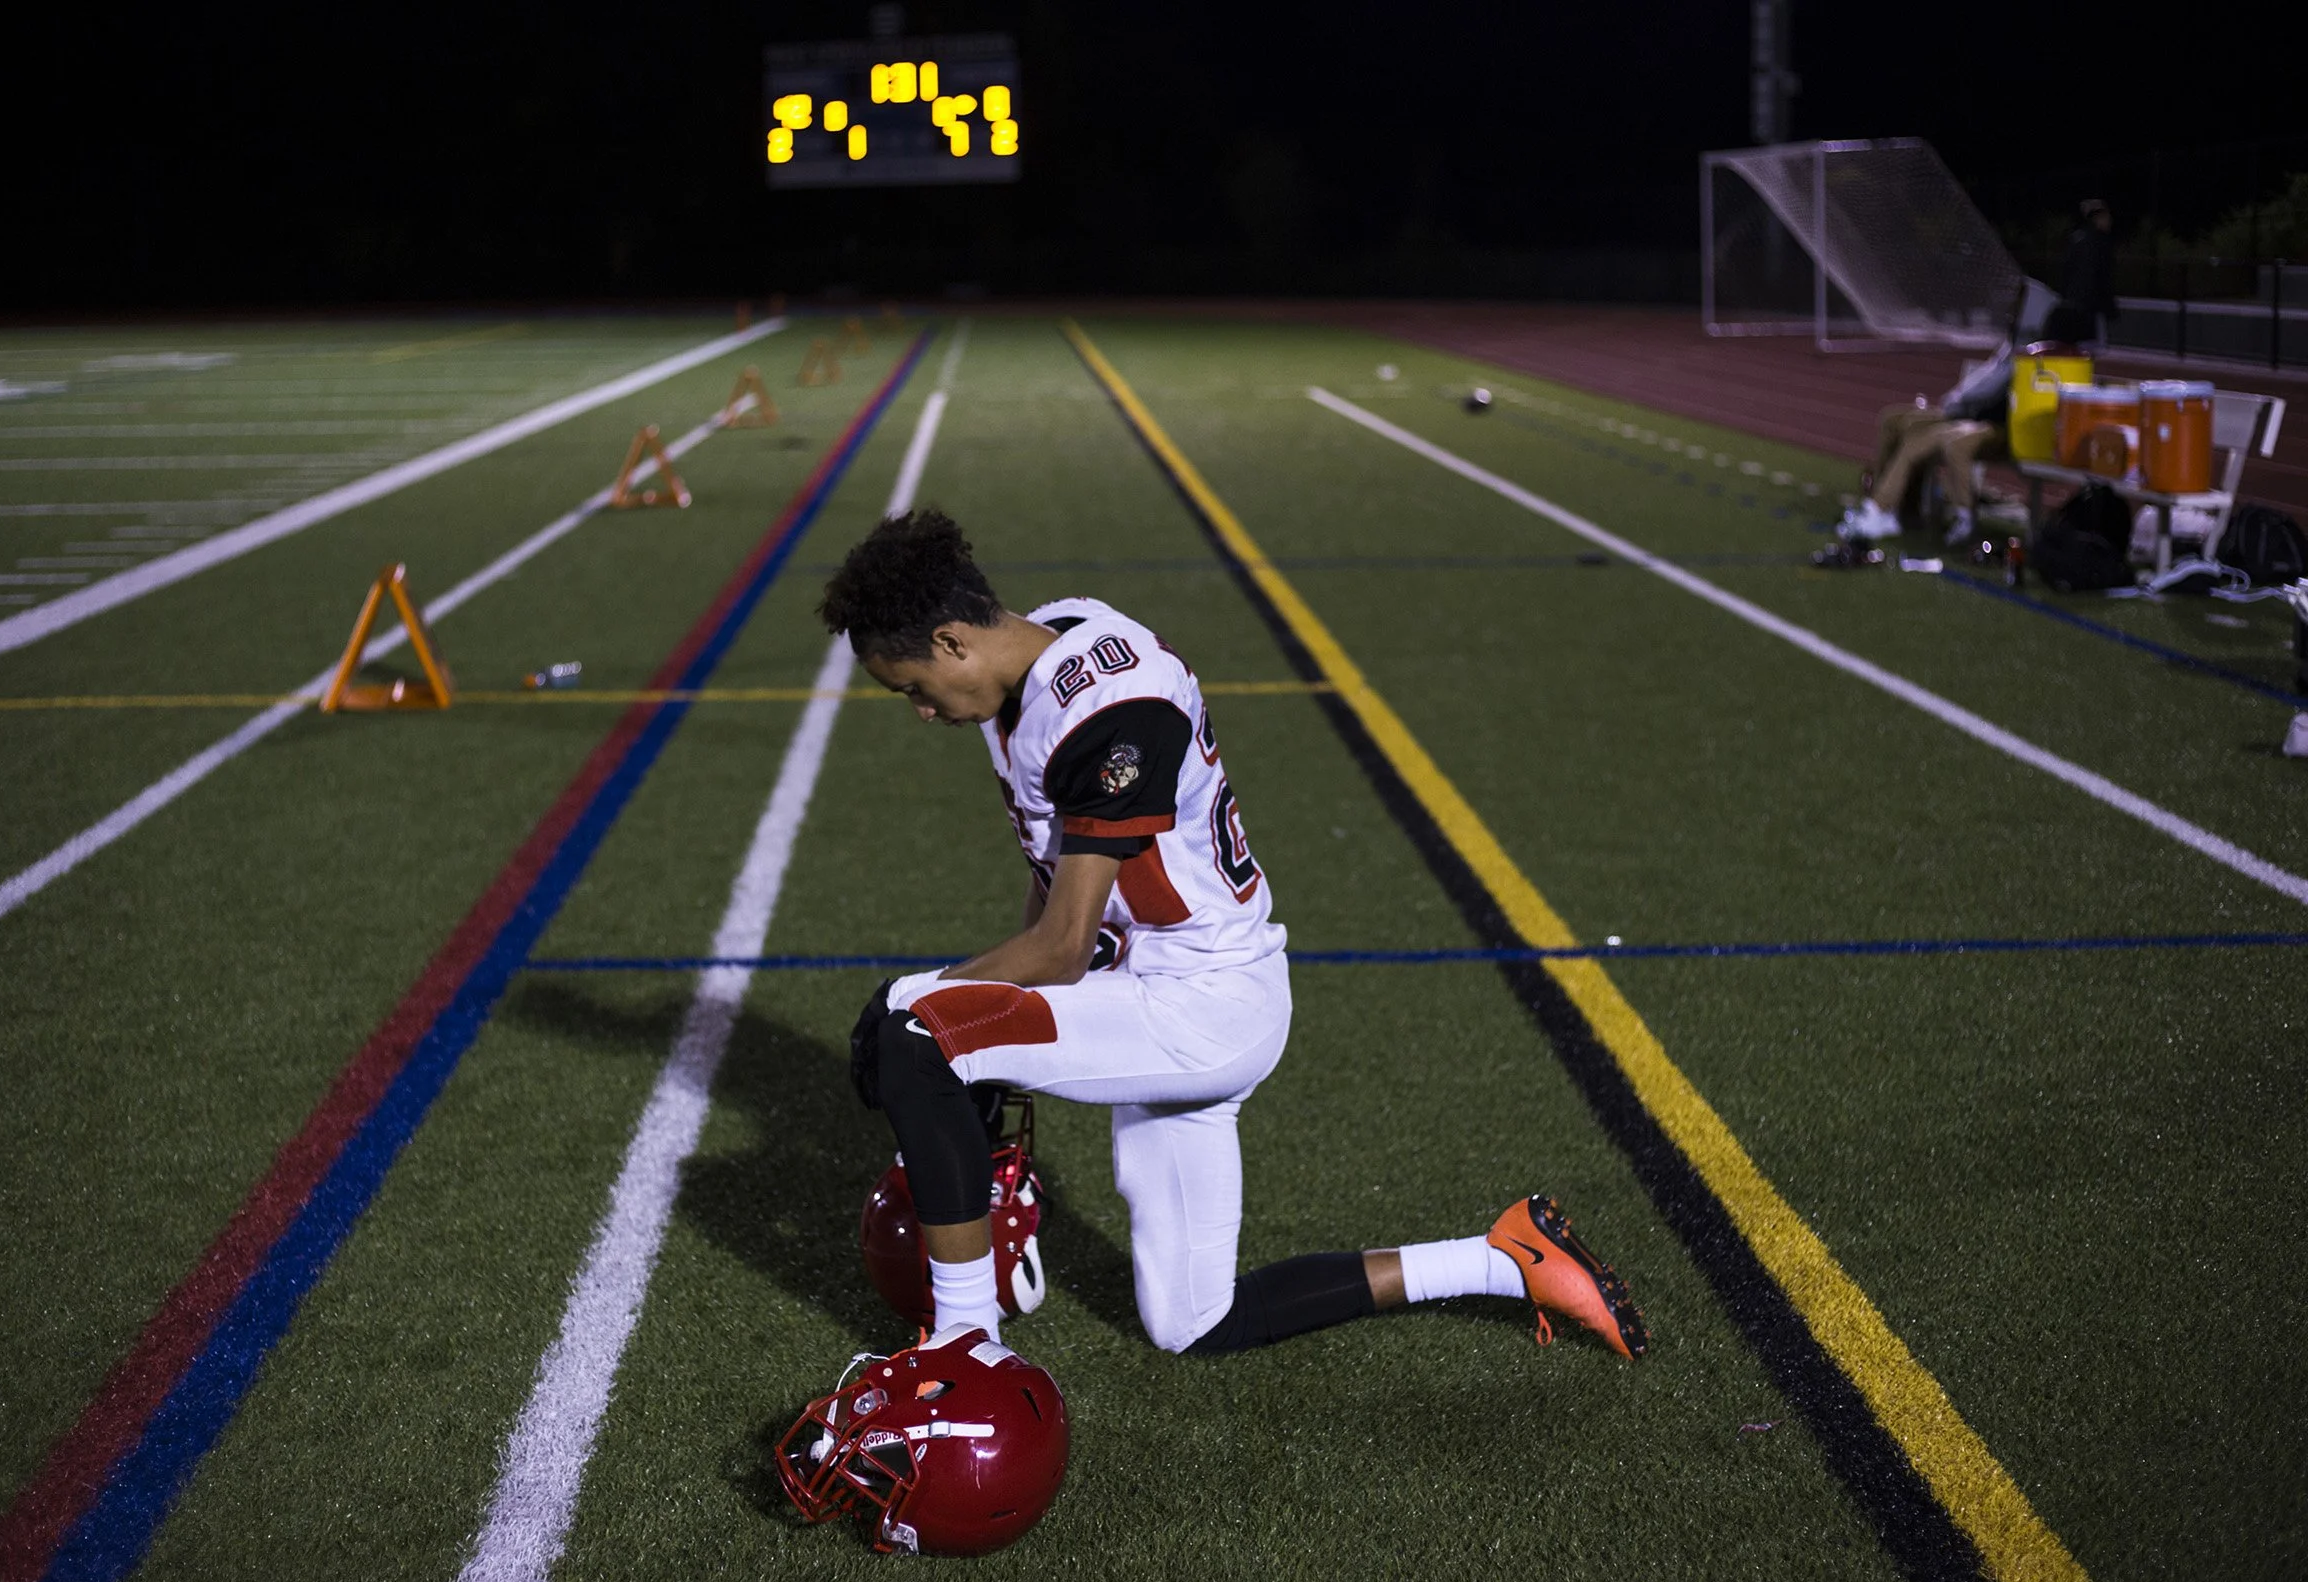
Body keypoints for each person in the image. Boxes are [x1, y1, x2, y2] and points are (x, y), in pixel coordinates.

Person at [817, 511, 1649, 1361]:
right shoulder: (1054, 634)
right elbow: (1055, 880)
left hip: (1200, 1003)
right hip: (1155, 991)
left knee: (917, 1033)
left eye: (912, 685)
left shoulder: (1107, 705)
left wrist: (924, 994)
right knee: (1192, 1324)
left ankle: (962, 1341)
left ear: (953, 641)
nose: (920, 710)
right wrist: (975, 996)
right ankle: (1505, 1258)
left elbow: (1065, 946)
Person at [1836, 341, 2012, 544]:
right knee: (1891, 419)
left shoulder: (2027, 353)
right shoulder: (2009, 348)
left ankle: (1882, 508)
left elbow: (1989, 394)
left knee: (1914, 436)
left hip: (1976, 417)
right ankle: (1889, 507)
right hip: (1965, 412)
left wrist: (1958, 403)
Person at [2041, 198, 2118, 347]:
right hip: (2090, 309)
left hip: (2071, 306)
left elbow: (2064, 274)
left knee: (2071, 350)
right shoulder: (2100, 243)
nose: (2109, 221)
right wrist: (2109, 308)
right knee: (2093, 349)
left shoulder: (2076, 239)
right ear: (2098, 218)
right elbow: (2102, 278)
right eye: (2107, 217)